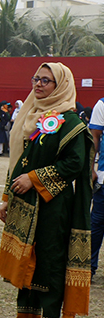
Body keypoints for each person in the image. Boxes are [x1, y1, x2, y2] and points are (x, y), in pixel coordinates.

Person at [0, 63, 93, 318]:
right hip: (27, 205)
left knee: (49, 266)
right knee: (27, 264)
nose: (38, 84)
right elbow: (21, 160)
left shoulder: (70, 122)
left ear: (60, 85)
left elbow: (75, 163)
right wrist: (8, 198)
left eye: (45, 80)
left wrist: (34, 179)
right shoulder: (33, 116)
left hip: (54, 208)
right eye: (36, 79)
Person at [88, 97, 104, 280]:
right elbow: (94, 137)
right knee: (97, 222)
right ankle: (88, 267)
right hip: (103, 177)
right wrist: (91, 168)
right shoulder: (102, 104)